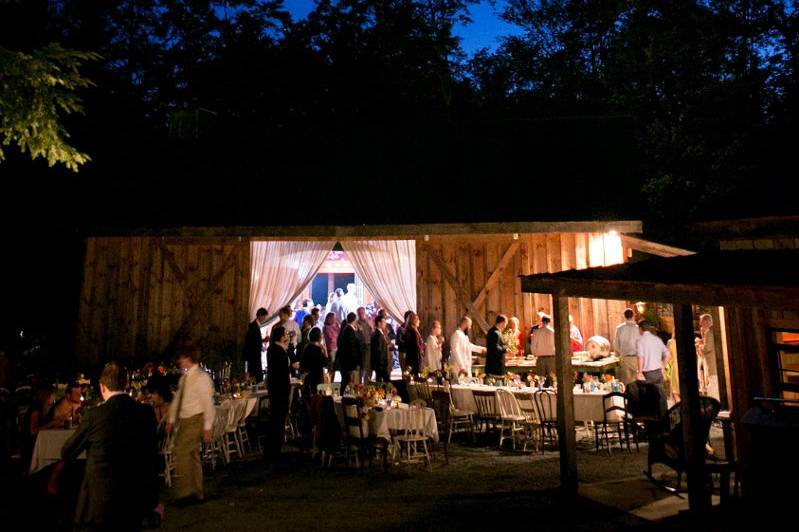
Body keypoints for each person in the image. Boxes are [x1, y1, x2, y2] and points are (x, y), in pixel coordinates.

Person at [62, 362, 158, 530]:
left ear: (102, 387)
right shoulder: (146, 413)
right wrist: (154, 500)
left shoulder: (95, 415)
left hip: (101, 501)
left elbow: (68, 451)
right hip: (134, 497)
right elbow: (152, 459)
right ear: (126, 383)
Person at [166, 347, 215, 503]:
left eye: (182, 358)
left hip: (195, 418)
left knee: (183, 452)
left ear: (188, 358)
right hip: (186, 419)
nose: (180, 361)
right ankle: (195, 490)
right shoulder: (185, 378)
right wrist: (172, 418)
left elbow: (208, 403)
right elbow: (178, 400)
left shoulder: (201, 378)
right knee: (191, 454)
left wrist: (207, 426)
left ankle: (186, 491)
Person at [265, 326, 298, 460]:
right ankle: (274, 449)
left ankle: (275, 447)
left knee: (278, 416)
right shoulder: (275, 350)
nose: (287, 335)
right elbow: (280, 368)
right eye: (285, 334)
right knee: (277, 416)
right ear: (280, 335)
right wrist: (291, 366)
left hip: (279, 386)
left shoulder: (278, 349)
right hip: (279, 387)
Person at [636, 320, 670, 414]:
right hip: (658, 372)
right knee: (661, 396)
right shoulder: (657, 339)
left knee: (649, 397)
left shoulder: (640, 340)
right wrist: (663, 366)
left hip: (648, 373)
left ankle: (651, 420)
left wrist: (639, 372)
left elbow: (641, 357)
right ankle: (663, 418)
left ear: (640, 329)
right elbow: (667, 354)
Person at [21, 382, 55, 468]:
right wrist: (52, 423)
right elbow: (32, 431)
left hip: (40, 442)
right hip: (31, 445)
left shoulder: (46, 408)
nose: (54, 397)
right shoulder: (36, 408)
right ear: (47, 395)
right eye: (52, 394)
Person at [613, 308, 640, 384]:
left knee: (627, 382)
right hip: (636, 358)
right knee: (636, 382)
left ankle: (628, 395)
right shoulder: (638, 329)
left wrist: (618, 354)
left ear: (624, 316)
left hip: (625, 358)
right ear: (633, 316)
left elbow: (616, 344)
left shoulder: (619, 328)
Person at [300, 327, 328, 397]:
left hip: (308, 376)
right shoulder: (318, 349)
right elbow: (325, 363)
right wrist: (325, 351)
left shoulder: (307, 348)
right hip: (317, 376)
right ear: (319, 336)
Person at [243, 307, 268, 383]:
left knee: (256, 374)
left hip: (255, 354)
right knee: (256, 375)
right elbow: (251, 341)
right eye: (264, 316)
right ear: (260, 315)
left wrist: (263, 340)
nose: (264, 318)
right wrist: (262, 341)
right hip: (254, 355)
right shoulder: (253, 326)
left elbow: (255, 340)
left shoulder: (255, 325)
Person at [336, 313, 360, 392]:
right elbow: (352, 348)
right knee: (348, 381)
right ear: (354, 320)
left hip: (345, 361)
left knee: (346, 380)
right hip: (348, 362)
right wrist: (356, 362)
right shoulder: (349, 331)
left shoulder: (345, 329)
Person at [696, 314, 717, 398]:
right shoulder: (714, 330)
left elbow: (708, 347)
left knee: (713, 384)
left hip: (712, 363)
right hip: (714, 362)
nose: (701, 325)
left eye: (701, 323)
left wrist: (699, 346)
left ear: (706, 322)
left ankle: (713, 404)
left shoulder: (709, 332)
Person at [371, 314, 392, 382]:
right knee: (384, 382)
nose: (385, 324)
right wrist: (382, 364)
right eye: (384, 322)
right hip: (381, 365)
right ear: (379, 323)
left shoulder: (379, 333)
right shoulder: (378, 335)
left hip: (381, 364)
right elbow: (379, 351)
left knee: (381, 381)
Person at [355, 307, 373, 383]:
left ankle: (366, 383)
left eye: (362, 312)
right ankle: (359, 384)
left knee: (368, 366)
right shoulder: (356, 323)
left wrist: (371, 328)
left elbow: (373, 333)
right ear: (357, 314)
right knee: (361, 366)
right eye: (359, 313)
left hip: (369, 345)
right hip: (361, 347)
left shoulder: (369, 322)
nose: (361, 314)